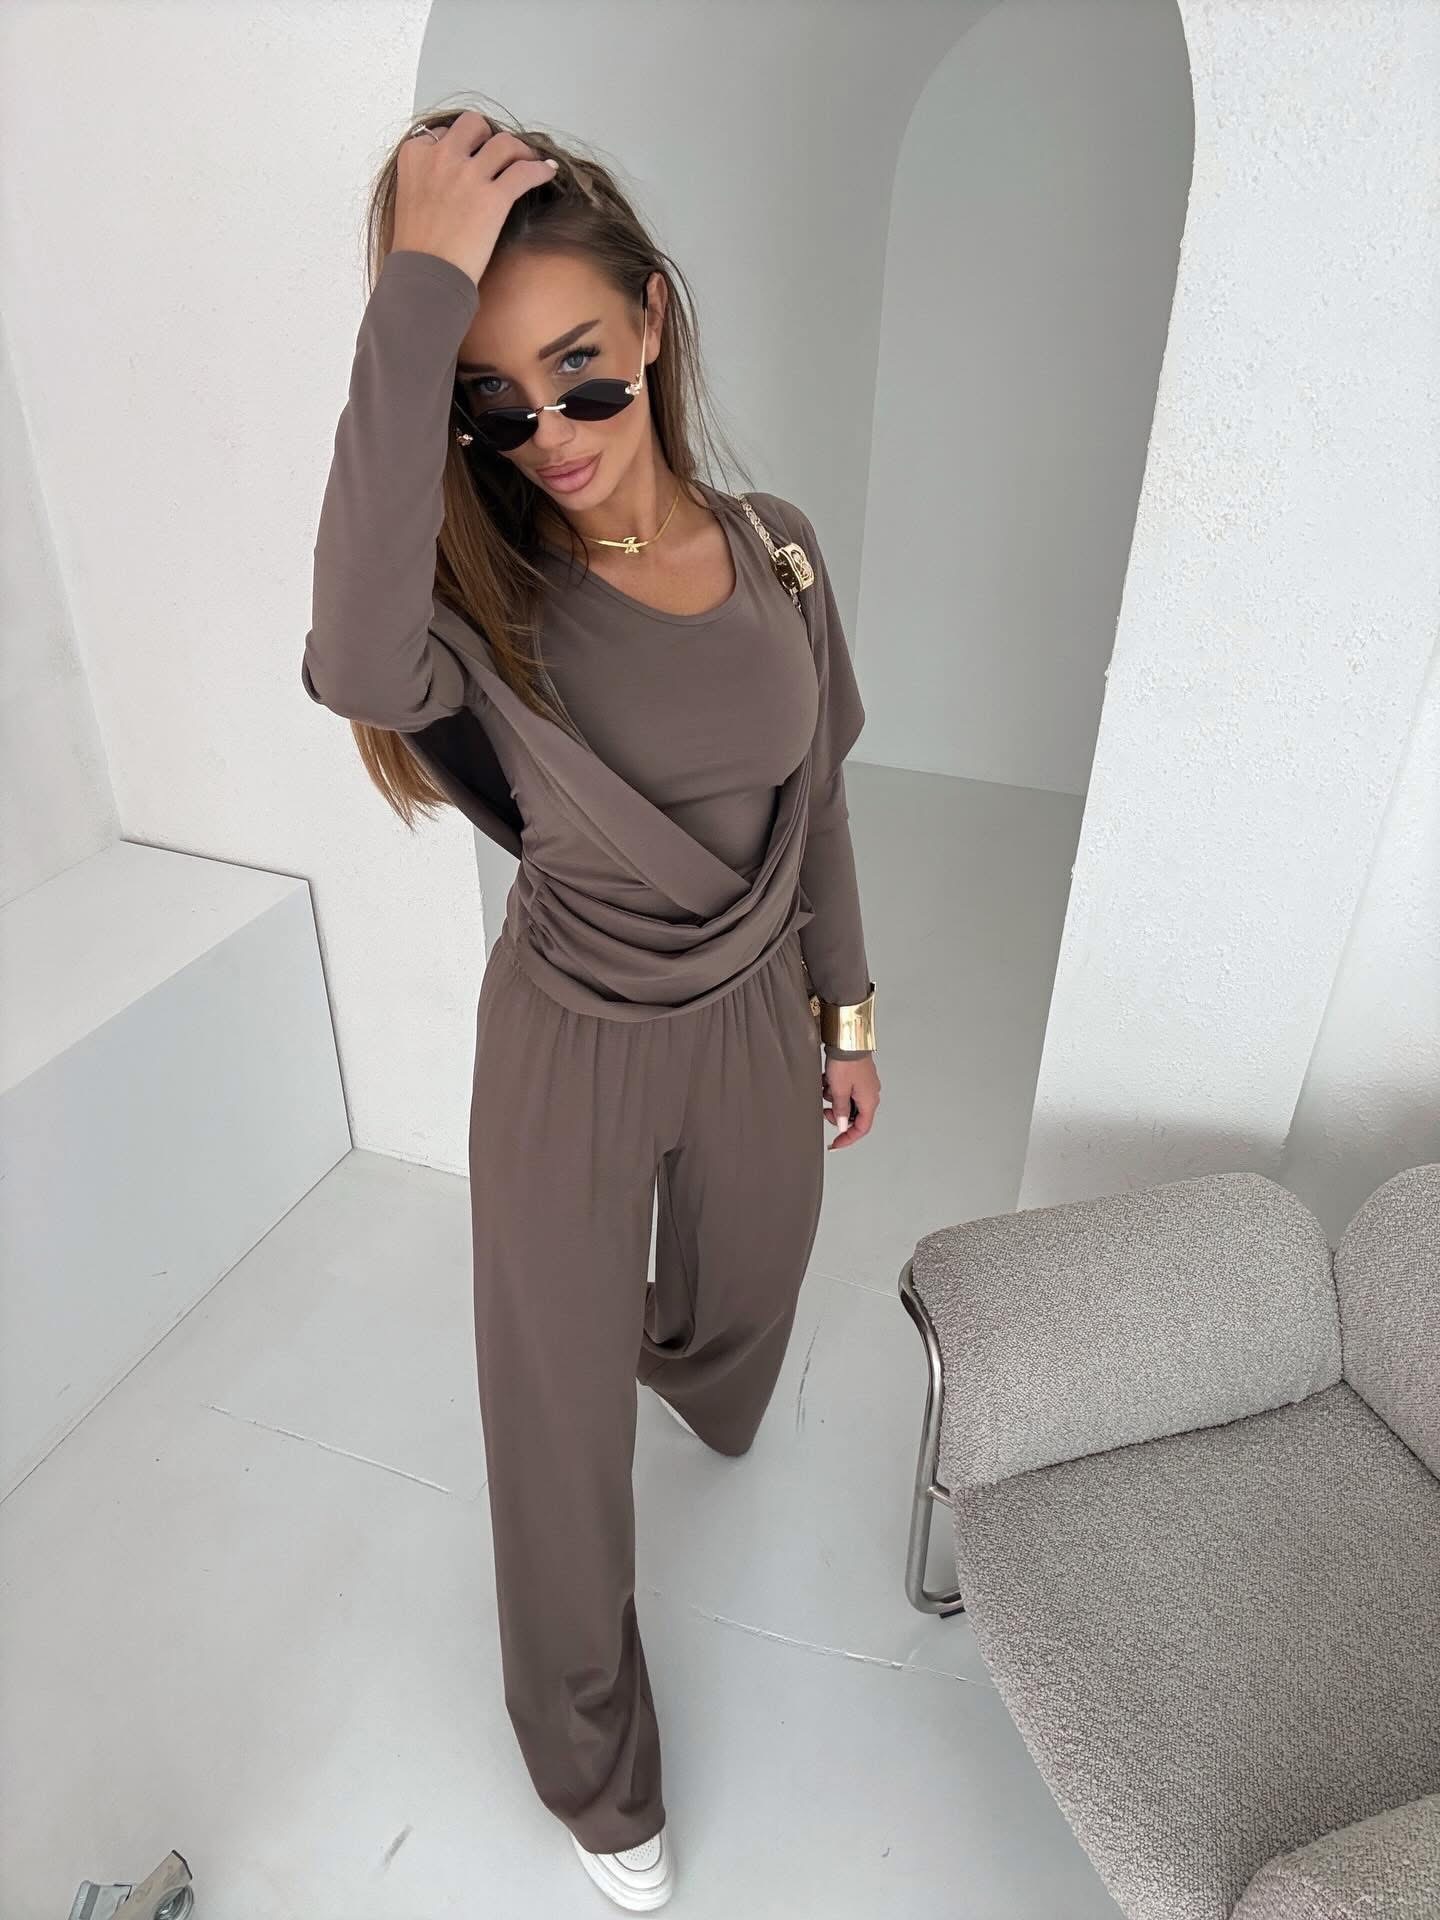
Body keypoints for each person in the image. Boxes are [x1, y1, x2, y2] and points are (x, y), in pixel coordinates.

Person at [301, 101, 881, 1912]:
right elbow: (348, 661)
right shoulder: (484, 612)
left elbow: (818, 797)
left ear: (651, 321)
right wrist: (414, 291)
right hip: (572, 1041)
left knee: (751, 1289)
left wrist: (846, 1009)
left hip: (751, 1015)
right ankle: (590, 1768)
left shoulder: (780, 549)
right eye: (491, 401)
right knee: (553, 1435)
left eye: (579, 373)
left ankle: (676, 1369)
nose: (544, 434)